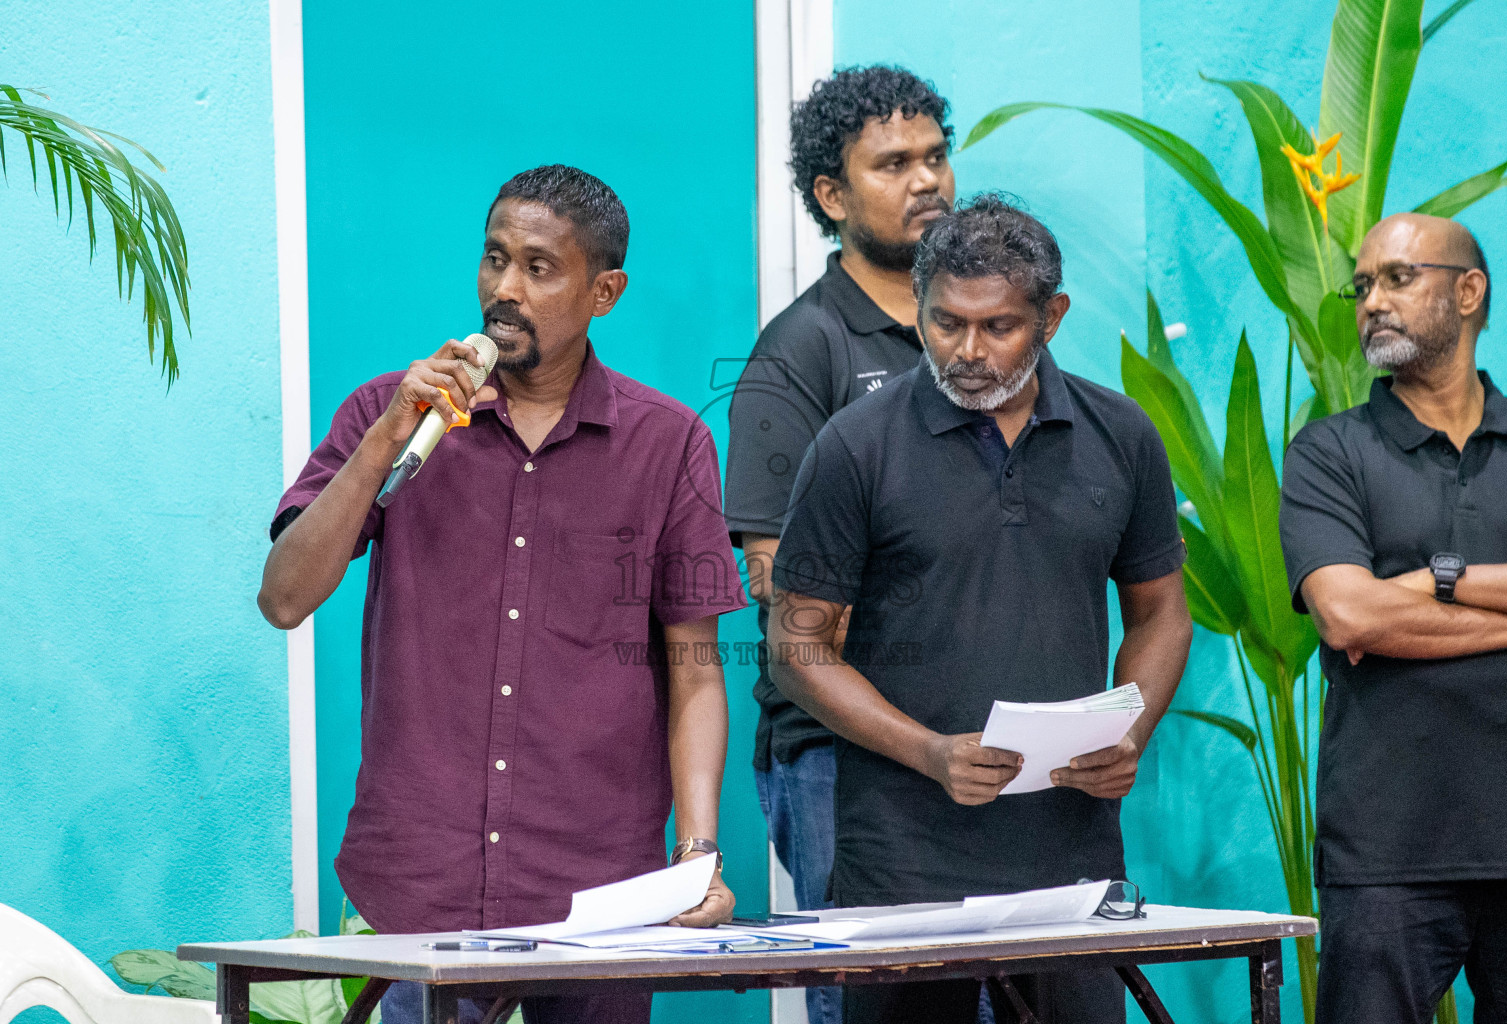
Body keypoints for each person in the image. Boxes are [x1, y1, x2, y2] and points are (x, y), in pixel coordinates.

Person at [257, 165, 746, 1024]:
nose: (504, 290)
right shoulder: (389, 413)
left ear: (605, 292)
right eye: (493, 260)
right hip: (420, 886)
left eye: (539, 268)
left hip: (600, 898)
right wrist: (382, 446)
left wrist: (698, 852)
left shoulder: (670, 445)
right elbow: (284, 598)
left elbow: (697, 673)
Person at [767, 194, 1193, 1024]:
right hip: (902, 866)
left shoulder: (1122, 434)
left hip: (1072, 861)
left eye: (997, 327)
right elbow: (797, 647)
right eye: (944, 324)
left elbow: (1161, 615)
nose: (967, 351)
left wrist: (1129, 732)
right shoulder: (855, 446)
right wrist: (929, 753)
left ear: (1051, 317)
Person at [723, 65, 955, 1024]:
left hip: (985, 749)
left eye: (937, 155)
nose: (928, 179)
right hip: (840, 758)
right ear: (831, 194)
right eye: (894, 162)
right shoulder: (802, 352)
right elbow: (776, 578)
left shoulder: (987, 339)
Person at [1279, 212, 1507, 1023]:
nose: (1371, 303)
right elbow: (1351, 617)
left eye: (1397, 278)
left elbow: (1385, 606)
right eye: (1362, 286)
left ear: (1468, 292)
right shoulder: (1330, 452)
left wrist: (1435, 579)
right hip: (1387, 850)